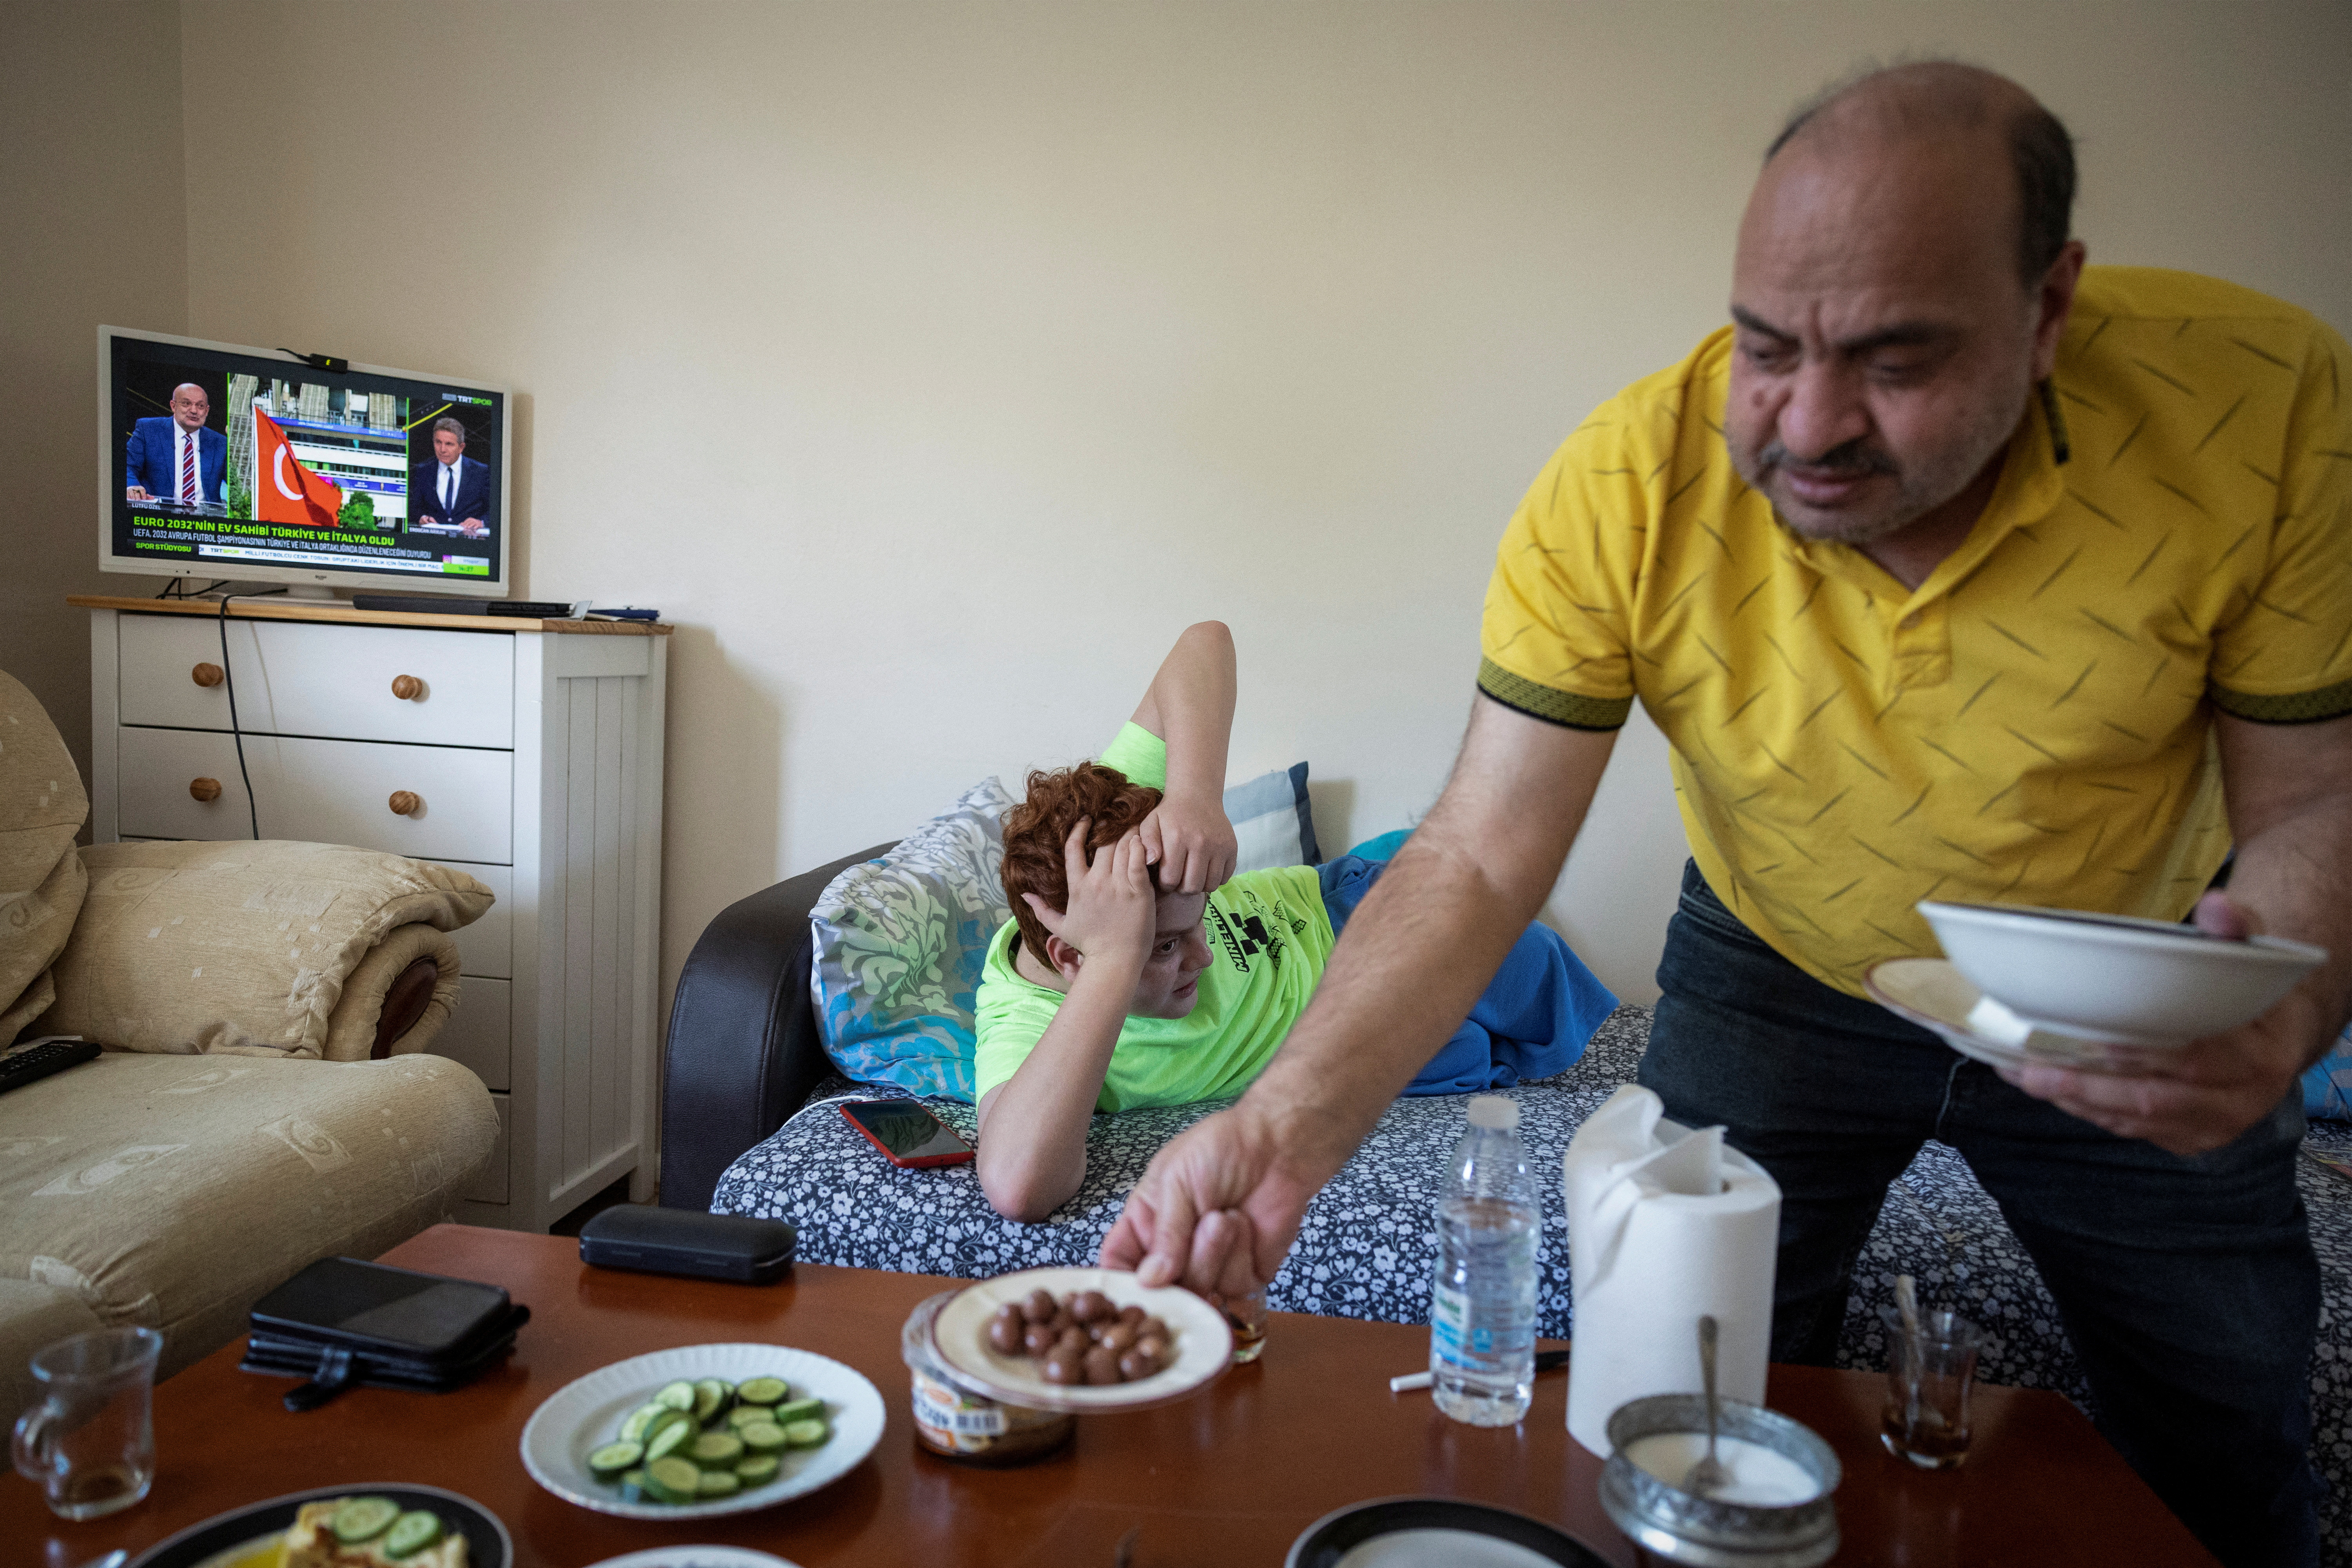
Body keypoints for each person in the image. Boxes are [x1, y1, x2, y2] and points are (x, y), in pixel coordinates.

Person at [1100, 64, 2352, 1567]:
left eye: (1896, 357)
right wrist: (1281, 1126)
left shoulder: (2264, 409)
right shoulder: (1625, 484)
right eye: (1767, 345)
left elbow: (2317, 800)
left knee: (2221, 1436)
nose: (1809, 421)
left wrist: (2283, 993)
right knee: (1666, 1404)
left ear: (2049, 306)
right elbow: (1480, 850)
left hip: (2119, 989)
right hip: (1778, 965)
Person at [973, 620, 1617, 1222]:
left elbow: (1205, 643)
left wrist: (1196, 796)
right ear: (1069, 957)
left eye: (1195, 926)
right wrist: (1116, 958)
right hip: (1347, 1036)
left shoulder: (1110, 829)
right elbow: (1016, 1187)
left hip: (1354, 915)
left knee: (1548, 997)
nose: (1203, 957)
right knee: (1478, 1054)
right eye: (1166, 945)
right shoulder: (1020, 1019)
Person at [124, 383, 225, 506]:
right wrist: (132, 485)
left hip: (206, 522)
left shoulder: (220, 442)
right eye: (187, 404)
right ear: (173, 406)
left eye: (200, 406)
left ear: (207, 411)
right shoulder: (148, 430)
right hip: (158, 518)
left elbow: (238, 482)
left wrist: (236, 445)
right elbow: (128, 465)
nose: (194, 411)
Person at [412, 417, 493, 536]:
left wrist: (482, 522)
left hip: (469, 543)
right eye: (438, 442)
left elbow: (495, 510)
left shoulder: (481, 472)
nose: (442, 450)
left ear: (461, 447)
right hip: (433, 542)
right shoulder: (423, 471)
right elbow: (414, 507)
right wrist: (422, 518)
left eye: (449, 444)